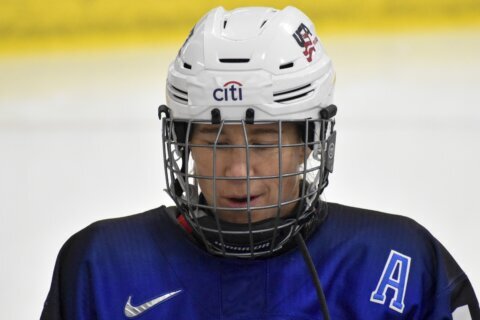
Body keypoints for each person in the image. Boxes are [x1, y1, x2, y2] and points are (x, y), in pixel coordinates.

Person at [41, 6, 479, 320]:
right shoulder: (101, 267)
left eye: (264, 142)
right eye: (215, 140)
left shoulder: (395, 264)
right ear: (182, 143)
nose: (236, 171)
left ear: (310, 142)